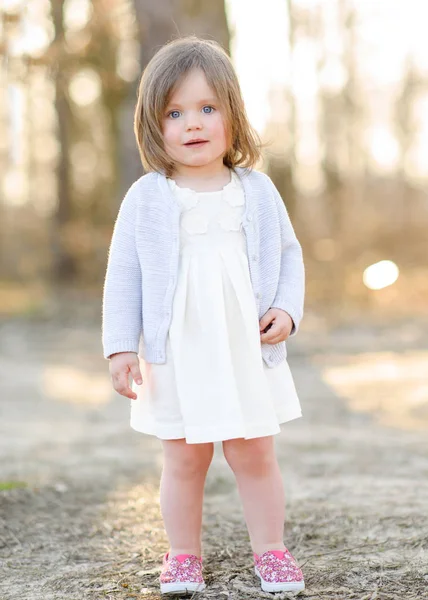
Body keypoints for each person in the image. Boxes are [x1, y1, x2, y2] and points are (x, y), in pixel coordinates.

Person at [102, 35, 305, 596]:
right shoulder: (147, 198)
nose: (193, 123)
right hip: (180, 353)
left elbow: (289, 256)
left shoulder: (256, 192)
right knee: (184, 458)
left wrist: (287, 309)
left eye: (208, 108)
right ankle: (183, 556)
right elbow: (124, 276)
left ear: (233, 119)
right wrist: (121, 346)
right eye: (175, 112)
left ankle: (272, 551)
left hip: (244, 347)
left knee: (254, 452)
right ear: (154, 126)